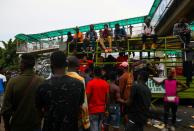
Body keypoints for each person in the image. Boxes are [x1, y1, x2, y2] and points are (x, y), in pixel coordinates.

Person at [36, 51, 84, 131]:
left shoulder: (43, 86)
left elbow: (39, 112)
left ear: (51, 65)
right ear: (66, 65)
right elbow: (79, 110)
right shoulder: (78, 84)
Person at [1, 54, 44, 131]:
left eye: (20, 63)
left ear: (22, 65)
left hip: (17, 126)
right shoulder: (42, 81)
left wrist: (7, 127)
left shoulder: (13, 82)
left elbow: (6, 110)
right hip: (35, 126)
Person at [66, 56, 90, 131]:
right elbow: (84, 103)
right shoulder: (80, 79)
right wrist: (86, 122)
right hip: (76, 116)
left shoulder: (61, 77)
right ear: (78, 67)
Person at [86, 67, 109, 131]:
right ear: (101, 74)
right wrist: (106, 109)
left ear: (93, 73)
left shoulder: (90, 83)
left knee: (94, 127)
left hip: (93, 110)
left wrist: (86, 109)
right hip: (102, 109)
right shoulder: (105, 83)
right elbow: (108, 98)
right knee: (99, 127)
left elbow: (87, 97)